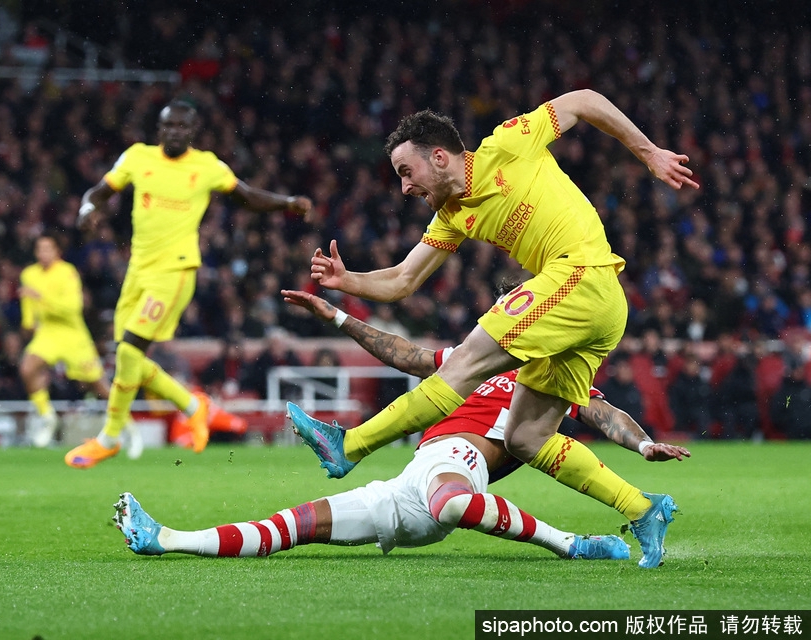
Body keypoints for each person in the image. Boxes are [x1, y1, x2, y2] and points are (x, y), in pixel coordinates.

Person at [284, 90, 697, 569]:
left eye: (406, 172)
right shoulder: (453, 214)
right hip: (593, 307)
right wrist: (346, 281)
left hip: (581, 273)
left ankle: (349, 445)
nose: (404, 188)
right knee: (525, 437)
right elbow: (402, 279)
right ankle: (643, 509)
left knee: (465, 363)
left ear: (438, 157)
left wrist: (649, 153)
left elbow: (583, 100)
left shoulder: (508, 142)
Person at [112, 292, 688, 565]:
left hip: (459, 467)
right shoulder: (477, 365)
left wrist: (640, 441)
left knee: (453, 502)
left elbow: (603, 412)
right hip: (408, 486)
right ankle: (166, 539)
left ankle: (573, 545)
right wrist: (338, 317)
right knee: (290, 527)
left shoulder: (554, 382)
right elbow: (406, 355)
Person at [67, 99, 312, 468]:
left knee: (131, 348)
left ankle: (110, 437)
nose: (174, 132)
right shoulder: (137, 157)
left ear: (193, 132)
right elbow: (99, 192)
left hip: (175, 272)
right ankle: (193, 405)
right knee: (125, 356)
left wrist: (287, 202)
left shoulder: (207, 165)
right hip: (138, 271)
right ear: (159, 129)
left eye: (182, 127)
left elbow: (246, 197)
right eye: (168, 126)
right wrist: (87, 210)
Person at [19, 235, 114, 450]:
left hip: (73, 334)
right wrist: (28, 323)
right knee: (27, 368)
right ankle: (47, 417)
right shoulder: (29, 274)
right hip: (48, 332)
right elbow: (28, 303)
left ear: (57, 252)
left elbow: (73, 308)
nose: (43, 253)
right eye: (39, 249)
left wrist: (40, 296)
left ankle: (125, 425)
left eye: (48, 248)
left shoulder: (68, 272)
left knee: (98, 386)